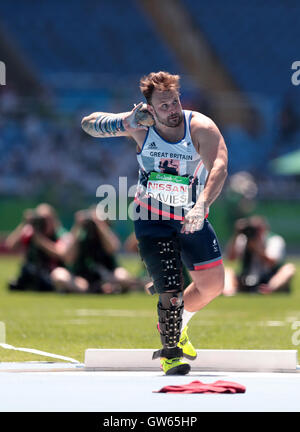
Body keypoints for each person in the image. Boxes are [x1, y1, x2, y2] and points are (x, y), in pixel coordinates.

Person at [81, 71, 228, 375]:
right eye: (163, 106)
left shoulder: (200, 127)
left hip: (191, 215)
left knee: (213, 286)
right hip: (152, 217)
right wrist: (126, 121)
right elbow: (89, 125)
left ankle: (178, 324)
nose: (172, 110)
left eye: (174, 102)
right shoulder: (139, 126)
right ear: (150, 107)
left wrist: (202, 205)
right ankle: (171, 353)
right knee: (171, 287)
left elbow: (220, 168)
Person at [51, 208, 145, 294]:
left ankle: (100, 288)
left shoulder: (107, 235)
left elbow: (113, 248)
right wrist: (77, 226)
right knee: (58, 275)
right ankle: (96, 289)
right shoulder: (79, 237)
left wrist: (99, 224)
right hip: (82, 279)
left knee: (123, 276)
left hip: (107, 276)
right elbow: (68, 257)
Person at [223, 216, 296, 296]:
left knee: (289, 268)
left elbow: (272, 262)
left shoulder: (274, 240)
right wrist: (236, 234)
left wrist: (256, 248)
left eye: (257, 229)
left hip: (268, 278)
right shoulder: (243, 240)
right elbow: (231, 258)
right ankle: (229, 291)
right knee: (227, 271)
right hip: (246, 277)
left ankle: (269, 289)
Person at [5, 203, 71, 292]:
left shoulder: (60, 233)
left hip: (51, 274)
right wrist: (24, 224)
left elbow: (62, 253)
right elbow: (10, 246)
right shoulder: (30, 232)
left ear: (53, 219)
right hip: (32, 272)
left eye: (46, 219)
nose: (43, 222)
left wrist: (40, 240)